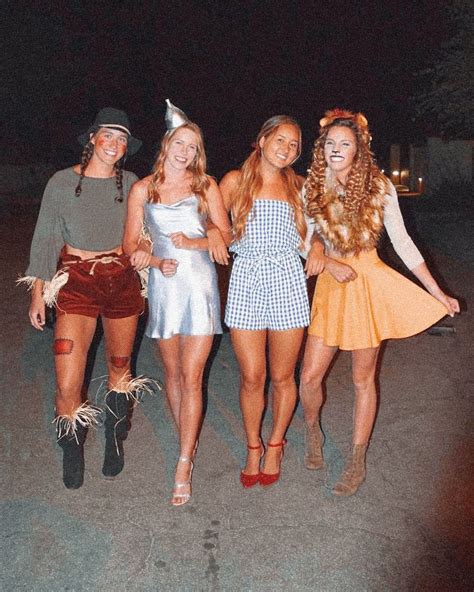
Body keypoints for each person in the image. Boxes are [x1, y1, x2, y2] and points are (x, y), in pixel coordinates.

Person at [300, 109, 460, 496]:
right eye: (331, 144)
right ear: (322, 148)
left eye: (345, 144)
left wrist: (437, 291)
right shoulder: (311, 188)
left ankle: (356, 460)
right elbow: (304, 242)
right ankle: (312, 431)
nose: (337, 149)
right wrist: (325, 255)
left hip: (367, 284)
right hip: (331, 285)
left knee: (362, 379)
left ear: (359, 150)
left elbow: (403, 242)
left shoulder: (380, 187)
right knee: (308, 378)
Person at [19, 107, 149, 489]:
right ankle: (72, 449)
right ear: (92, 138)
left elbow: (145, 230)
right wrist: (38, 294)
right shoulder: (61, 182)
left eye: (121, 139)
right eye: (107, 135)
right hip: (76, 284)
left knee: (120, 371)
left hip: (122, 283)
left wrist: (146, 248)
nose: (114, 144)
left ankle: (114, 437)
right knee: (67, 380)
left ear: (126, 148)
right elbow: (45, 238)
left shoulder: (132, 182)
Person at [123, 100, 232, 506]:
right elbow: (129, 244)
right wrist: (152, 259)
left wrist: (202, 240)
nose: (186, 152)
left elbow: (227, 233)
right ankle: (188, 433)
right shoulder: (142, 188)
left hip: (200, 284)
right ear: (167, 144)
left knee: (192, 374)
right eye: (180, 143)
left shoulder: (206, 185)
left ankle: (184, 460)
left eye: (193, 146)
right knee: (171, 372)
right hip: (165, 284)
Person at [220, 115, 320, 488]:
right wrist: (215, 234)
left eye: (294, 144)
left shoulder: (300, 186)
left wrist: (321, 247)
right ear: (261, 140)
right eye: (281, 140)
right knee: (252, 376)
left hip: (288, 281)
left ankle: (275, 442)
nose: (287, 149)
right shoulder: (234, 181)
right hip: (246, 279)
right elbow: (209, 221)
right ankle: (252, 446)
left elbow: (316, 234)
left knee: (282, 376)